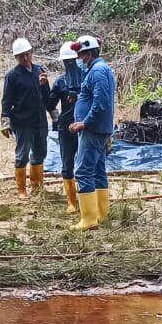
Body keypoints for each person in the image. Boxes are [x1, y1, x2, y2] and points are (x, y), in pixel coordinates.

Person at [68, 34, 116, 231]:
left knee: (83, 170)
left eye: (81, 56)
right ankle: (100, 214)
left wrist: (84, 123)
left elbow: (101, 103)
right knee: (97, 170)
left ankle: (88, 220)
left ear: (89, 54)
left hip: (93, 130)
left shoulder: (97, 71)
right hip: (99, 129)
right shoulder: (101, 70)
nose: (79, 60)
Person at [0, 37, 50, 199]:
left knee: (40, 153)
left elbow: (47, 97)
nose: (25, 58)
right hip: (22, 121)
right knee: (22, 155)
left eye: (27, 54)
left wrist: (45, 86)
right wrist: (5, 121)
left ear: (31, 53)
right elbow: (6, 100)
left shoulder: (39, 70)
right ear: (16, 58)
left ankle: (37, 186)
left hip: (40, 120)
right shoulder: (13, 76)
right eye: (21, 56)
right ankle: (22, 190)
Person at [46, 41, 85, 214]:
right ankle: (71, 201)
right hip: (66, 127)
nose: (70, 64)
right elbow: (49, 103)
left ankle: (87, 197)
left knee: (86, 164)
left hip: (85, 126)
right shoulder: (61, 83)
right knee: (67, 163)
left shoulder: (88, 78)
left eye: (73, 60)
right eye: (67, 62)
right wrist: (43, 87)